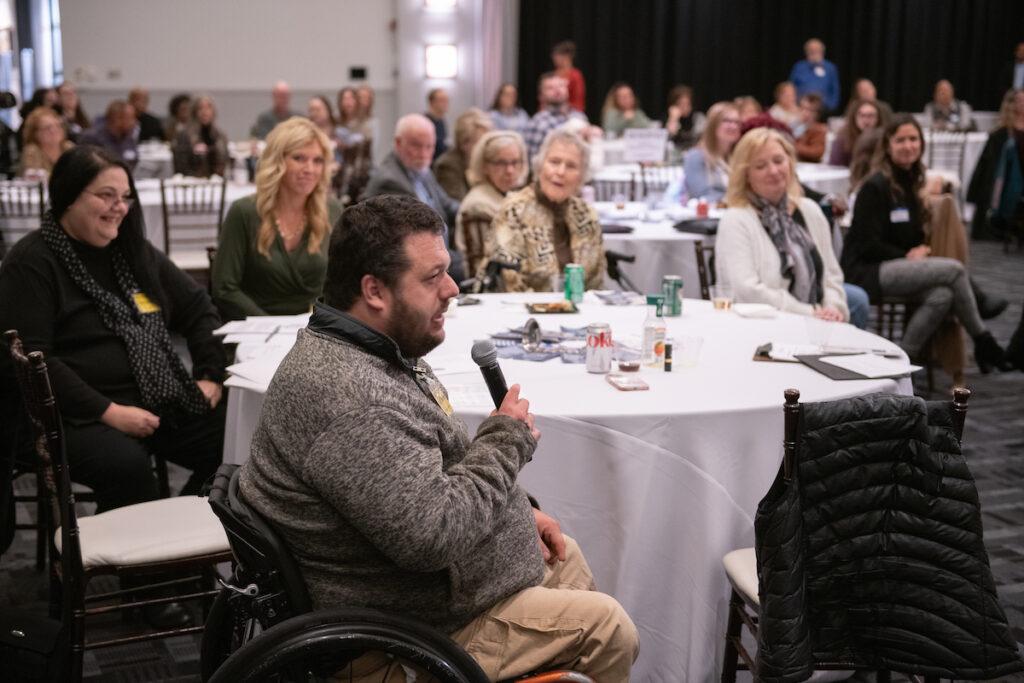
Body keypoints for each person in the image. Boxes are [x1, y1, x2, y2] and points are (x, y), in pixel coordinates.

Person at [238, 194, 638, 681]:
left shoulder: (378, 352)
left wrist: (517, 510)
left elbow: (431, 473)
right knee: (607, 629)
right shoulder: (351, 397)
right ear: (374, 290)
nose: (452, 289)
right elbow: (433, 537)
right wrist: (506, 439)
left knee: (564, 554)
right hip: (408, 635)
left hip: (431, 592)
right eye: (432, 277)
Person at [0, 145, 226, 513]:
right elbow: (36, 361)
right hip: (67, 413)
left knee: (234, 437)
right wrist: (109, 411)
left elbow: (197, 307)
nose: (119, 207)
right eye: (106, 196)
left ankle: (181, 524)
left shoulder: (130, 250)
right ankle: (144, 547)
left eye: (124, 197)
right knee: (127, 467)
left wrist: (210, 374)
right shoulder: (31, 263)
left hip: (153, 396)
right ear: (69, 196)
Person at [841, 115, 1010, 372]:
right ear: (888, 145)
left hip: (897, 265)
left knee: (943, 295)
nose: (908, 145)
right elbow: (867, 245)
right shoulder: (875, 186)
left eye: (913, 139)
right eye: (900, 140)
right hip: (867, 270)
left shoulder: (911, 182)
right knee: (954, 269)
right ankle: (984, 339)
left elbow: (909, 234)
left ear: (921, 143)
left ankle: (902, 361)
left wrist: (918, 247)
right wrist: (906, 254)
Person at [716, 127, 860, 325]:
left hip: (819, 321)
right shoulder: (736, 220)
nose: (773, 171)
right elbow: (747, 290)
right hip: (761, 327)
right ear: (745, 174)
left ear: (790, 163)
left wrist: (833, 308)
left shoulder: (810, 210)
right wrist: (809, 312)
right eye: (760, 166)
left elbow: (832, 276)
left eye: (778, 161)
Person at [212, 117, 342, 320]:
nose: (309, 169)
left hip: (316, 326)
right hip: (255, 328)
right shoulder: (244, 212)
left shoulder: (332, 211)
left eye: (317, 161)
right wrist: (271, 326)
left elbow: (343, 281)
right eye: (299, 158)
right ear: (277, 162)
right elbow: (225, 288)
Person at [489, 129, 604, 292]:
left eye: (571, 166)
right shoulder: (514, 210)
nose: (561, 172)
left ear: (581, 176)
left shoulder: (586, 215)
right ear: (540, 166)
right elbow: (509, 282)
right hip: (524, 306)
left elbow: (596, 283)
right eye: (554, 162)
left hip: (581, 306)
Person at [363, 114, 460, 229]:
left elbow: (446, 204)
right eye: (416, 146)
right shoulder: (389, 181)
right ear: (398, 143)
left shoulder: (422, 169)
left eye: (429, 146)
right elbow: (416, 231)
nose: (423, 154)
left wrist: (470, 210)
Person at [454, 130, 528, 275]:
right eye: (501, 163)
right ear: (485, 166)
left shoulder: (509, 195)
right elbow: (486, 267)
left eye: (515, 162)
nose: (510, 170)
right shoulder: (478, 205)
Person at [967, 89, 1024, 240]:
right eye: (1018, 101)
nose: (1022, 104)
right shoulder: (1000, 135)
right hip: (1006, 182)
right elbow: (987, 169)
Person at [682, 101, 742, 203]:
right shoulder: (695, 157)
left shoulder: (739, 157)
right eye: (727, 121)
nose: (734, 126)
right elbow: (701, 195)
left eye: (737, 122)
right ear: (713, 125)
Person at [522, 72, 588, 160]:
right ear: (541, 96)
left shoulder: (579, 116)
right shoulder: (537, 123)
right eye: (550, 88)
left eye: (561, 85)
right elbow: (532, 162)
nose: (557, 90)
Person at [433, 108, 494, 201]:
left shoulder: (488, 161)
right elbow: (457, 203)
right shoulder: (447, 165)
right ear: (463, 143)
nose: (486, 147)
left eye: (487, 141)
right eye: (480, 142)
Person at [172, 95, 229, 178]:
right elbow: (181, 166)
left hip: (216, 180)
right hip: (191, 180)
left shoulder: (220, 135)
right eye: (200, 108)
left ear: (213, 112)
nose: (204, 112)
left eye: (208, 107)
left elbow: (224, 162)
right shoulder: (184, 135)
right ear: (194, 112)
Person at [18, 107, 74, 178]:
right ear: (35, 134)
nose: (54, 130)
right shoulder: (32, 152)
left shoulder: (68, 147)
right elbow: (36, 179)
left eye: (57, 125)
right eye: (47, 128)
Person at [829, 98, 886, 167]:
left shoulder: (884, 138)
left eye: (870, 116)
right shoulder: (843, 139)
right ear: (854, 117)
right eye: (862, 115)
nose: (866, 120)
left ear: (878, 118)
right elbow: (835, 167)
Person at [80, 101, 139, 167]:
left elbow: (134, 161)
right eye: (131, 118)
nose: (134, 123)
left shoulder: (128, 139)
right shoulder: (92, 139)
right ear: (117, 119)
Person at [789, 38, 840, 113]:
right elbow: (791, 87)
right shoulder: (799, 67)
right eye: (811, 51)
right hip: (801, 107)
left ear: (822, 52)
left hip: (824, 109)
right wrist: (796, 103)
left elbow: (835, 89)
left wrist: (830, 106)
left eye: (817, 50)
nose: (814, 53)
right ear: (806, 52)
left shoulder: (830, 68)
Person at [664, 84, 705, 151]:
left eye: (688, 104)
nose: (685, 108)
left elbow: (703, 139)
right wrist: (673, 119)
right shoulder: (668, 119)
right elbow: (667, 139)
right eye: (681, 104)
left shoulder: (698, 118)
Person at [551, 40, 586, 114]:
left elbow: (578, 100)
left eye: (556, 56)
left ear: (566, 56)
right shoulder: (553, 75)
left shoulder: (575, 75)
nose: (554, 59)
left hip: (571, 113)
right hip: (551, 112)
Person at [792, 93, 828, 162]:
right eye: (802, 108)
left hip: (809, 165)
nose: (804, 113)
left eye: (809, 110)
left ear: (817, 113)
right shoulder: (796, 125)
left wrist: (794, 147)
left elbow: (817, 152)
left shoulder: (819, 130)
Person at [425, 88, 450, 162]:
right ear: (432, 103)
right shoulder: (425, 123)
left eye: (446, 100)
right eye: (442, 100)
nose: (446, 103)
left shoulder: (441, 121)